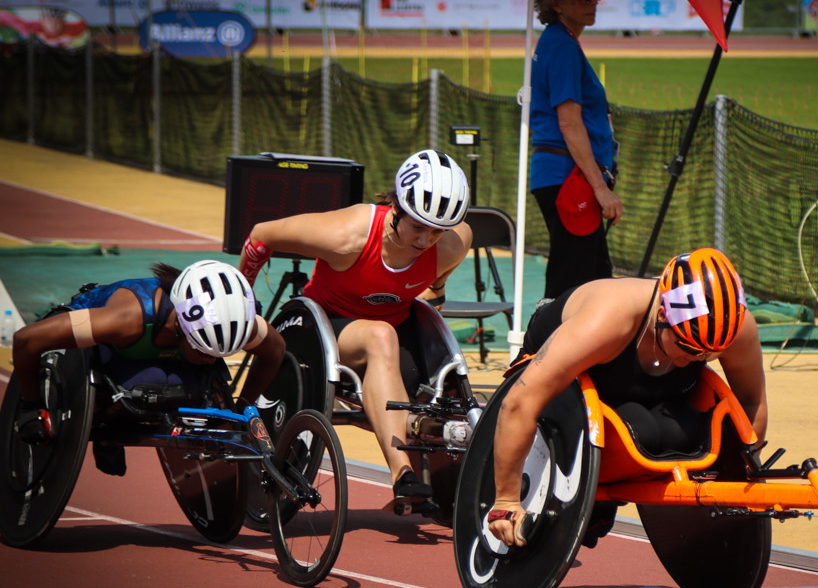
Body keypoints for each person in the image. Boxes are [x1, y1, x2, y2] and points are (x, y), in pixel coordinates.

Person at [486, 248, 767, 548]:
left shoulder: (734, 327)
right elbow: (520, 402)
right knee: (640, 430)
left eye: (711, 353)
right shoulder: (608, 320)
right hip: (576, 365)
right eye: (689, 348)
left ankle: (609, 488)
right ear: (662, 315)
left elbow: (751, 402)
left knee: (682, 433)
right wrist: (505, 500)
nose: (699, 358)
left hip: (636, 391)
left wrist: (744, 470)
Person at [236, 148, 474, 503]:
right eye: (418, 227)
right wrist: (244, 305)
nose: (425, 241)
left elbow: (439, 273)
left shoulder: (453, 245)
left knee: (397, 347)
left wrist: (435, 289)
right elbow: (260, 236)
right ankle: (402, 473)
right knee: (381, 336)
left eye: (437, 232)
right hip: (324, 330)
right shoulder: (348, 236)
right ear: (397, 207)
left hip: (396, 336)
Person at [12, 260, 285, 474]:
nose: (213, 360)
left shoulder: (236, 321)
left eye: (220, 353)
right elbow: (26, 340)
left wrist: (242, 405)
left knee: (206, 394)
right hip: (110, 350)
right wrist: (30, 405)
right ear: (181, 327)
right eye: (204, 350)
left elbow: (275, 351)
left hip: (167, 354)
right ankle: (108, 425)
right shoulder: (126, 319)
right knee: (147, 385)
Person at [530, 0, 623, 300]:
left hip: (565, 176)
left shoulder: (561, 42)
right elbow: (569, 123)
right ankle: (543, 345)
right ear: (556, 4)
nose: (593, 2)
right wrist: (600, 187)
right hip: (568, 178)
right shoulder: (561, 46)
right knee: (574, 286)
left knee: (594, 277)